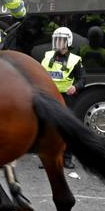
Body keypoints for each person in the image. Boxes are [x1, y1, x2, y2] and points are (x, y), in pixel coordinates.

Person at [40, 27, 85, 169]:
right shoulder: (47, 56)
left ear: (68, 42)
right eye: (56, 39)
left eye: (61, 40)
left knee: (66, 129)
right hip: (49, 96)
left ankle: (67, 158)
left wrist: (75, 87)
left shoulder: (74, 59)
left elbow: (82, 78)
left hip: (66, 97)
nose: (58, 42)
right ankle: (48, 157)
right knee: (47, 128)